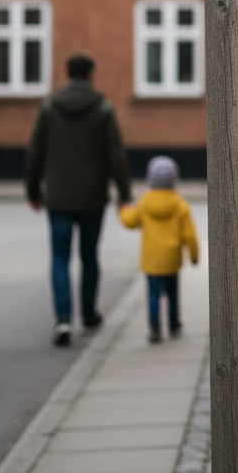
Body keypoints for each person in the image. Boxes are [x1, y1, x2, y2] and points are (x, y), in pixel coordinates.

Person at [25, 51, 131, 346]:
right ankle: (88, 313)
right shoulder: (103, 109)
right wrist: (124, 195)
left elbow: (35, 152)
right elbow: (116, 156)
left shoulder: (49, 107)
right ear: (91, 75)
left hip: (57, 196)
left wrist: (33, 191)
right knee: (89, 255)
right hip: (92, 196)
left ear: (67, 73)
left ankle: (62, 319)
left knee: (59, 256)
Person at [119, 155, 199, 343]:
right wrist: (194, 255)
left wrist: (123, 210)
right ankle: (174, 324)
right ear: (174, 180)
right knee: (172, 293)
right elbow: (189, 234)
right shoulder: (180, 204)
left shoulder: (144, 202)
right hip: (172, 259)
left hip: (151, 259)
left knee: (153, 295)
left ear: (150, 180)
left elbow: (131, 222)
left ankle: (154, 328)